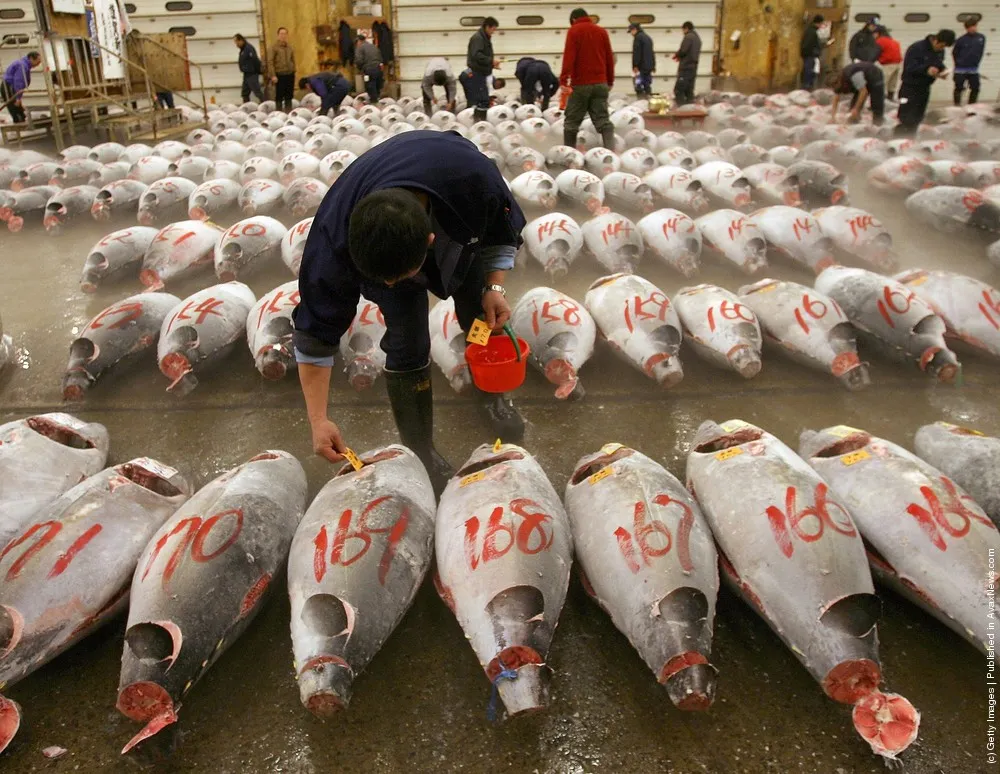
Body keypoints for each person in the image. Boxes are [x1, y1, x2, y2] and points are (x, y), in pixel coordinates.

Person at [292, 131, 527, 494]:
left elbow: (500, 233)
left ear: (430, 243)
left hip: (453, 206)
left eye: (397, 276)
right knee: (407, 339)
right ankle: (420, 447)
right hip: (395, 219)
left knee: (477, 312)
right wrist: (318, 419)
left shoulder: (477, 184)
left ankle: (491, 396)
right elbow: (315, 334)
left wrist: (494, 288)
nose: (386, 286)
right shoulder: (332, 239)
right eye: (380, 279)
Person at [560, 9, 615, 149]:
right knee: (603, 121)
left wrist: (563, 80)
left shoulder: (574, 31)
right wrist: (609, 81)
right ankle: (611, 151)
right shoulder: (602, 31)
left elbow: (569, 57)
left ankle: (569, 153)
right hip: (601, 83)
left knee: (571, 122)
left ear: (573, 20)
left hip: (581, 84)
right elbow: (609, 57)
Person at [896, 29, 957, 137]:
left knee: (918, 117)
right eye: (941, 46)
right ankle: (899, 139)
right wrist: (926, 70)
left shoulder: (940, 51)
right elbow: (909, 67)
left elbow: (938, 64)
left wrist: (942, 71)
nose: (942, 49)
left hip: (924, 88)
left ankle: (911, 139)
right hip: (909, 87)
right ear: (936, 40)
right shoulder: (916, 48)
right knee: (905, 117)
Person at [466, 17, 499, 121]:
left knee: (483, 100)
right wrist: (490, 61)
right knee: (482, 100)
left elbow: (482, 56)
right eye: (493, 29)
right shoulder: (478, 38)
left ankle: (481, 122)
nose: (493, 32)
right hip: (477, 73)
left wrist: (491, 64)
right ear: (487, 27)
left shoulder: (484, 37)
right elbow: (476, 55)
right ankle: (479, 122)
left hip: (482, 72)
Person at [953, 17, 987, 105]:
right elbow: (955, 53)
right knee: (959, 88)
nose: (973, 28)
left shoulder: (981, 37)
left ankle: (972, 105)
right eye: (970, 27)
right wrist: (958, 63)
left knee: (976, 88)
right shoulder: (961, 40)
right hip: (960, 69)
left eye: (974, 26)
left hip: (974, 68)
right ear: (967, 28)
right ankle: (957, 106)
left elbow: (981, 51)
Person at [2, 51, 40, 124]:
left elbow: (21, 84)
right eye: (37, 62)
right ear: (31, 58)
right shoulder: (23, 66)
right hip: (9, 87)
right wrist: (18, 98)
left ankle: (20, 122)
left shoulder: (24, 64)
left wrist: (19, 99)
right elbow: (18, 82)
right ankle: (19, 127)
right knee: (18, 114)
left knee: (20, 112)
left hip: (10, 88)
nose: (38, 64)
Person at [268, 27, 296, 112]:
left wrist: (294, 70)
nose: (283, 36)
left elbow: (293, 60)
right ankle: (279, 112)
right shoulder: (274, 48)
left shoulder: (290, 47)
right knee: (279, 95)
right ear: (278, 35)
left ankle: (288, 111)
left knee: (289, 95)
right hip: (279, 74)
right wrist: (273, 75)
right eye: (281, 34)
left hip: (290, 74)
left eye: (285, 34)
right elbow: (270, 62)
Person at [673, 21, 701, 106]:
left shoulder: (688, 37)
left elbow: (684, 50)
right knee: (689, 91)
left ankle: (682, 109)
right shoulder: (697, 38)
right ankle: (690, 110)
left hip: (686, 68)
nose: (683, 32)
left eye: (683, 30)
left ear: (686, 28)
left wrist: (677, 55)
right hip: (693, 67)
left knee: (678, 90)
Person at [234, 33, 264, 103]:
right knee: (244, 93)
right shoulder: (243, 49)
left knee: (257, 92)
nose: (236, 45)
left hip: (251, 74)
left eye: (237, 42)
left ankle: (266, 105)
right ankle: (246, 107)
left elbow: (255, 60)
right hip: (246, 74)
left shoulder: (249, 48)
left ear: (241, 40)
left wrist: (257, 71)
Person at [355, 32, 384, 103]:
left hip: (369, 69)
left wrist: (360, 69)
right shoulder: (374, 46)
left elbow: (359, 60)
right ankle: (377, 100)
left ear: (359, 41)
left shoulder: (360, 48)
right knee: (377, 86)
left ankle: (374, 104)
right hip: (378, 68)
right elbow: (380, 58)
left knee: (370, 86)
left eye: (357, 42)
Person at [875, 26, 902, 101]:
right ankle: (890, 98)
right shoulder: (893, 41)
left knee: (882, 83)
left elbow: (875, 52)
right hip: (897, 63)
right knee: (892, 83)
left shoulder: (880, 41)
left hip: (888, 63)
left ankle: (879, 101)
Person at [629, 22, 655, 97]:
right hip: (648, 67)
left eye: (631, 31)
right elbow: (652, 53)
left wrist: (635, 66)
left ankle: (641, 101)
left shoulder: (638, 38)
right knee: (647, 85)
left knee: (638, 85)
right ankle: (648, 99)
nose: (631, 33)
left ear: (634, 29)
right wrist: (653, 65)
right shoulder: (648, 37)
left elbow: (637, 53)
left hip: (640, 68)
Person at [800, 15, 824, 90]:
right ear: (818, 23)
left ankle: (807, 86)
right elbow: (807, 45)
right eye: (821, 24)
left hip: (810, 55)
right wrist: (813, 52)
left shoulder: (810, 31)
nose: (821, 26)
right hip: (810, 56)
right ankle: (806, 88)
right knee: (809, 73)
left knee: (810, 72)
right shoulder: (812, 32)